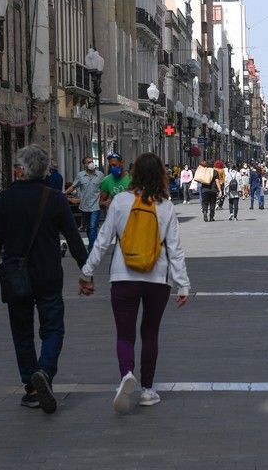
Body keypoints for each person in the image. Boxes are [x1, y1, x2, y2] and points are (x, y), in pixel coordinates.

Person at [79, 153, 190, 412]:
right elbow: (175, 249)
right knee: (150, 333)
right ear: (161, 175)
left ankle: (126, 373)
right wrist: (183, 284)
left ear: (134, 173)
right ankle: (148, 390)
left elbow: (103, 240)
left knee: (125, 333)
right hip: (157, 278)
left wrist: (87, 272)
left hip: (123, 276)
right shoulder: (165, 206)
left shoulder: (119, 201)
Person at [0, 145, 89, 413]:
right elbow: (74, 239)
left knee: (22, 332)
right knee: (53, 328)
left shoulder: (4, 200)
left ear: (21, 170)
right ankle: (46, 372)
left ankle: (31, 387)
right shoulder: (55, 199)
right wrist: (85, 272)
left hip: (15, 277)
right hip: (48, 274)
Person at [65, 159, 105, 252]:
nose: (91, 163)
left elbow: (104, 188)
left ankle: (92, 249)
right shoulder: (80, 175)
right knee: (87, 227)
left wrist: (104, 201)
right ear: (84, 165)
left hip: (96, 205)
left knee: (93, 227)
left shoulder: (100, 175)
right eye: (88, 162)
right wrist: (63, 193)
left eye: (91, 161)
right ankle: (92, 244)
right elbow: (73, 186)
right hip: (84, 206)